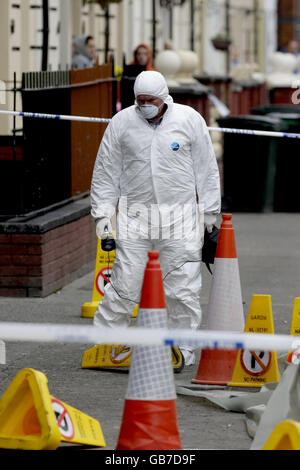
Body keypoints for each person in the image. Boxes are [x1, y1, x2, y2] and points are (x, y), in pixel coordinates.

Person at [90, 70, 221, 367]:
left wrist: (209, 214)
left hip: (180, 218)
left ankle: (181, 351)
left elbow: (206, 169)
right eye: (140, 100)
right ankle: (106, 347)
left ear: (163, 98)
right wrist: (102, 214)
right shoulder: (122, 123)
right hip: (136, 218)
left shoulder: (188, 120)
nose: (144, 105)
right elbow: (106, 171)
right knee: (125, 284)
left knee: (182, 288)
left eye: (150, 100)